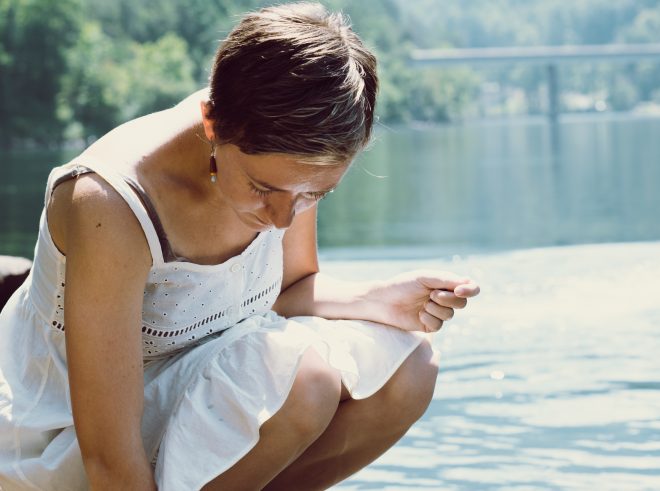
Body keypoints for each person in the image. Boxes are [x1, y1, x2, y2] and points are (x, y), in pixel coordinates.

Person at [0, 3, 479, 490]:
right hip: (64, 435)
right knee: (303, 381)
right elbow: (109, 460)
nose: (283, 219)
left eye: (314, 194)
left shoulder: (291, 159)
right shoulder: (110, 204)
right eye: (263, 190)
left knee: (410, 366)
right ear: (212, 123)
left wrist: (374, 300)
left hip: (200, 392)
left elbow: (286, 291)